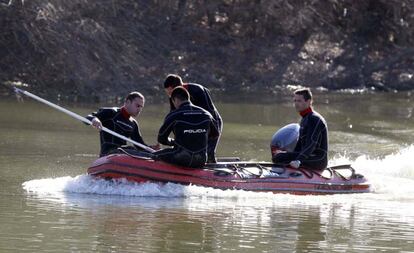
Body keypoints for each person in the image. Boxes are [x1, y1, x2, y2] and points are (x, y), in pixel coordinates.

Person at [154, 86, 220, 168]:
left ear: (175, 99)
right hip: (201, 159)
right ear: (188, 98)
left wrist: (173, 142)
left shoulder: (174, 115)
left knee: (151, 156)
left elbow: (161, 138)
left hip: (181, 157)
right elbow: (215, 134)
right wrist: (198, 137)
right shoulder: (206, 114)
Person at [163, 74, 222, 163]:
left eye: (170, 93)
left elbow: (210, 113)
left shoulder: (198, 90)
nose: (171, 96)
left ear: (179, 87)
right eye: (169, 94)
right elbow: (174, 117)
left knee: (208, 152)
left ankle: (212, 168)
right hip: (193, 123)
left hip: (212, 121)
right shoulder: (174, 96)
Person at [272, 88, 328, 170]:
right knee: (278, 156)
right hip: (308, 156)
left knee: (280, 157)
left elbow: (311, 144)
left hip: (318, 159)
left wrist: (298, 160)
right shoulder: (305, 119)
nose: (296, 104)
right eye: (295, 101)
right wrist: (288, 154)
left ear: (309, 101)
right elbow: (300, 145)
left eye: (299, 101)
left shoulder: (314, 119)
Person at [87, 91, 158, 157]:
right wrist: (94, 119)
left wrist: (151, 149)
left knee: (138, 151)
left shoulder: (133, 124)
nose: (139, 110)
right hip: (108, 154)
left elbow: (140, 146)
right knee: (129, 149)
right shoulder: (111, 113)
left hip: (123, 153)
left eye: (141, 107)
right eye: (137, 106)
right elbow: (88, 117)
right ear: (128, 102)